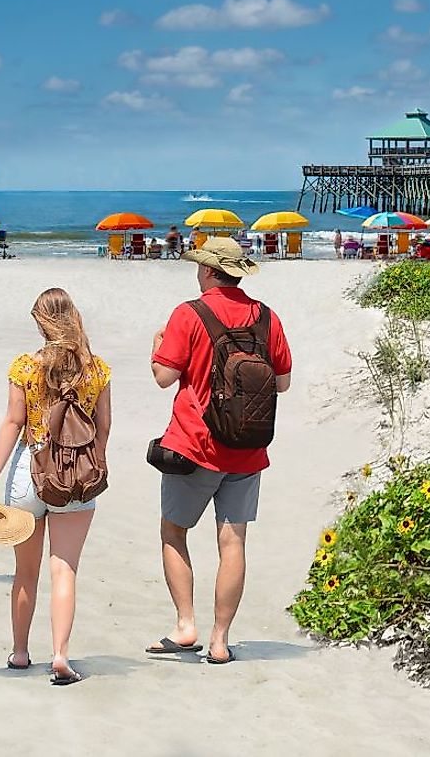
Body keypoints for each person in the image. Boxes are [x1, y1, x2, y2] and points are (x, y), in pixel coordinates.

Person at [148, 236, 293, 665]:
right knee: (233, 543)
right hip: (248, 448)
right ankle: (220, 639)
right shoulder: (267, 317)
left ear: (209, 271)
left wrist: (157, 344)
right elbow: (282, 382)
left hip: (194, 445)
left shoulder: (188, 314)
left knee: (173, 532)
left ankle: (185, 624)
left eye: (199, 266)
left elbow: (162, 375)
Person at [0, 288, 110, 685]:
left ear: (39, 322)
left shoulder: (24, 367)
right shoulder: (96, 369)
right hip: (77, 478)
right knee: (64, 570)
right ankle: (61, 655)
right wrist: (95, 463)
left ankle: (19, 652)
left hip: (28, 474)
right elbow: (104, 426)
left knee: (25, 571)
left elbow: (13, 424)